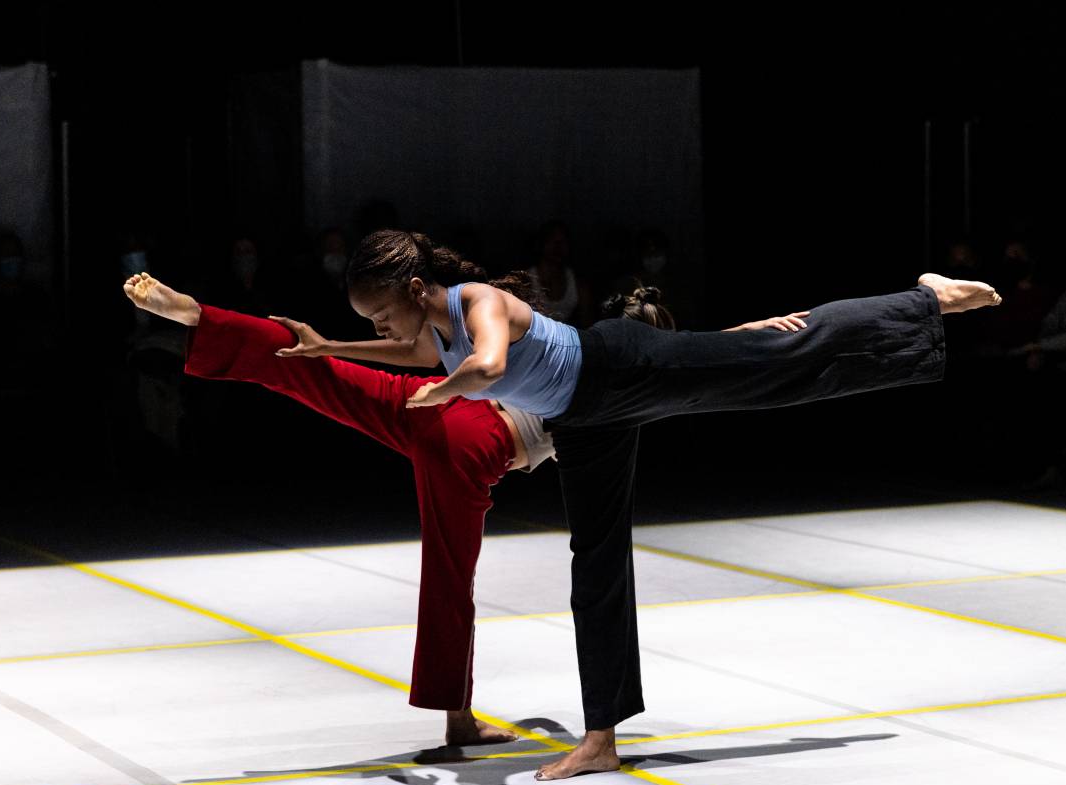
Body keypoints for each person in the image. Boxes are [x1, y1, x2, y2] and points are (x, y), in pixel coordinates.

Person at [272, 229, 1001, 780]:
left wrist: (448, 390)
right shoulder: (435, 329)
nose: (380, 332)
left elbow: (488, 363)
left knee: (773, 365)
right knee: (596, 564)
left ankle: (926, 299)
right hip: (584, 421)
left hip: (618, 366)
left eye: (377, 316)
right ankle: (601, 739)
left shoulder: (475, 302)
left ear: (410, 289)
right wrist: (326, 349)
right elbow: (418, 357)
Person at [121, 268, 785, 747]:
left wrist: (758, 329)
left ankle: (202, 317)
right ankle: (457, 719)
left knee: (313, 368)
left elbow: (702, 354)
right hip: (473, 439)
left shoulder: (568, 344)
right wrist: (762, 334)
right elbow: (707, 365)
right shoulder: (613, 382)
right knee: (450, 583)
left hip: (433, 409)